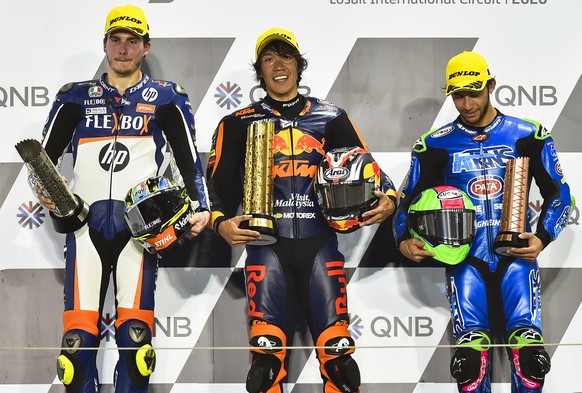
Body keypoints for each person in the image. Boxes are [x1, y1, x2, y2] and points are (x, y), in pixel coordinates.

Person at [206, 27, 397, 393]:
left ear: (299, 64)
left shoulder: (331, 116)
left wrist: (389, 196)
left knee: (341, 364)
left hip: (320, 247)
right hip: (266, 251)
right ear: (259, 70)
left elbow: (369, 168)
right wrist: (219, 224)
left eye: (286, 56)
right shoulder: (236, 122)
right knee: (265, 366)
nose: (278, 65)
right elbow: (215, 188)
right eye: (268, 58)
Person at [32, 4, 210, 393]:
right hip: (83, 230)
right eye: (116, 40)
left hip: (141, 233)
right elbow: (41, 162)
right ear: (105, 45)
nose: (123, 49)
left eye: (133, 41)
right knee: (75, 348)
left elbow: (189, 163)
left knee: (136, 341)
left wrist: (202, 209)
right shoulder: (74, 97)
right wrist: (45, 188)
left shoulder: (167, 98)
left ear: (146, 47)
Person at [393, 51, 572, 392]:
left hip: (517, 256)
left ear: (491, 85)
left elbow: (559, 194)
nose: (466, 103)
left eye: (473, 93)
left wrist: (543, 236)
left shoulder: (528, 135)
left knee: (531, 357)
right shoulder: (433, 145)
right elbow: (405, 204)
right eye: (458, 95)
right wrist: (403, 240)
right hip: (463, 260)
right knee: (469, 364)